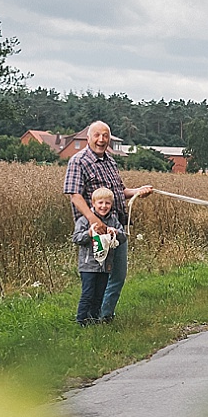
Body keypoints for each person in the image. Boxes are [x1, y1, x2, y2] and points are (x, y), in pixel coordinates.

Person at [63, 121, 153, 322]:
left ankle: (104, 315)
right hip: (93, 231)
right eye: (97, 135)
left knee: (117, 275)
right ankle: (90, 319)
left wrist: (138, 191)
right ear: (88, 137)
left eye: (105, 136)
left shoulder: (110, 162)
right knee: (94, 277)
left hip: (116, 228)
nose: (102, 140)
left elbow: (120, 192)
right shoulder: (78, 161)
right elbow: (74, 195)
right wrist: (94, 221)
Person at [72, 187, 127, 326]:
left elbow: (123, 237)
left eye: (107, 203)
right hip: (88, 266)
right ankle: (81, 321)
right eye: (100, 203)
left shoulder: (113, 220)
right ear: (93, 203)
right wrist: (89, 234)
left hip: (105, 266)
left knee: (99, 295)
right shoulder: (84, 220)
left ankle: (95, 320)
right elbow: (77, 238)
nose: (104, 206)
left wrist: (115, 233)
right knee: (88, 294)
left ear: (111, 205)